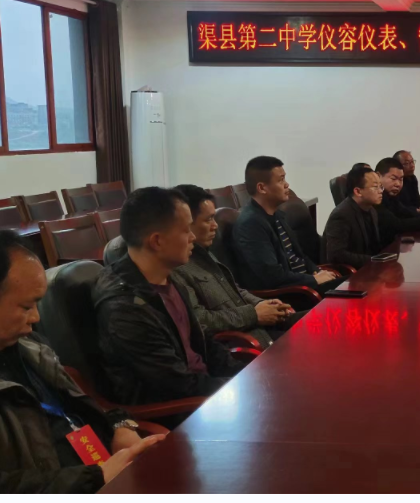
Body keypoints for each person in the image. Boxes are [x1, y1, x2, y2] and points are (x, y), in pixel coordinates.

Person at [0, 231, 165, 493]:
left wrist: (119, 426)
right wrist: (95, 477)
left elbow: (81, 407)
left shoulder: (30, 346)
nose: (36, 318)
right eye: (26, 307)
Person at [94, 187, 244, 407]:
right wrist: (242, 386)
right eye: (186, 230)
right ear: (157, 241)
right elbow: (177, 385)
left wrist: (246, 372)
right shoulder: (125, 308)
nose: (193, 237)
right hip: (182, 411)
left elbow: (202, 342)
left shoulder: (167, 276)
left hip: (206, 392)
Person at [173, 185, 305, 347]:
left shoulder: (206, 253)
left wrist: (263, 304)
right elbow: (199, 320)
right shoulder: (178, 267)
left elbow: (236, 290)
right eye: (208, 219)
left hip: (263, 330)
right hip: (249, 343)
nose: (215, 226)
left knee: (326, 319)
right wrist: (254, 314)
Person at [231, 156, 342, 293]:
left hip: (304, 283)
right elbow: (273, 276)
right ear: (262, 188)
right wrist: (314, 280)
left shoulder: (277, 214)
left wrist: (317, 271)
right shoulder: (251, 224)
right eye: (280, 180)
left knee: (355, 284)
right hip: (291, 294)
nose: (287, 184)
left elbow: (300, 257)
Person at [324, 166, 384, 269]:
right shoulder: (341, 215)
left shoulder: (371, 210)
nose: (381, 191)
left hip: (369, 267)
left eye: (381, 186)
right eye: (375, 187)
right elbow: (336, 255)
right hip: (351, 272)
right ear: (358, 191)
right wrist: (373, 260)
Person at [375, 158, 420, 243]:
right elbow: (396, 225)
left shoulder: (391, 196)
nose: (398, 184)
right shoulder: (376, 198)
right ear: (378, 176)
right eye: (393, 179)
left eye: (401, 179)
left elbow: (406, 213)